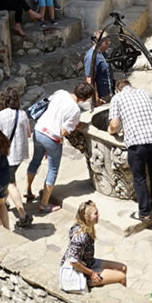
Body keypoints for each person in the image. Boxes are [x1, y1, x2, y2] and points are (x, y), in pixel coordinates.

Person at [26, 79, 93, 212]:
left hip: (39, 130)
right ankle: (44, 204)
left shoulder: (60, 93)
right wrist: (78, 125)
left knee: (35, 161)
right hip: (52, 138)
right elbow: (64, 131)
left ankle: (27, 190)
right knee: (53, 170)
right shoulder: (75, 110)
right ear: (85, 98)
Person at [108, 79, 152, 223]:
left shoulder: (117, 98)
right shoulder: (145, 93)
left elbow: (114, 124)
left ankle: (145, 212)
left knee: (139, 178)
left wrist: (111, 130)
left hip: (137, 143)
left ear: (117, 89)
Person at [59, 200, 127, 292]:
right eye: (95, 214)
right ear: (86, 217)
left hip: (89, 262)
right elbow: (73, 261)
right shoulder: (80, 236)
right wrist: (91, 273)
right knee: (121, 276)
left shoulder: (86, 226)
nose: (98, 215)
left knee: (123, 268)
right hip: (82, 272)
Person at [0, 87, 34, 229]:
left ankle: (23, 215)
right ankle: (3, 201)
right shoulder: (22, 114)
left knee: (10, 184)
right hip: (19, 154)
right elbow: (29, 134)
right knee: (9, 179)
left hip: (6, 156)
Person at [84, 35, 115, 104]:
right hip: (101, 98)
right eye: (106, 43)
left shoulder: (102, 52)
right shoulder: (91, 57)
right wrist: (96, 98)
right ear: (99, 43)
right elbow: (90, 79)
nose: (108, 45)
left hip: (109, 93)